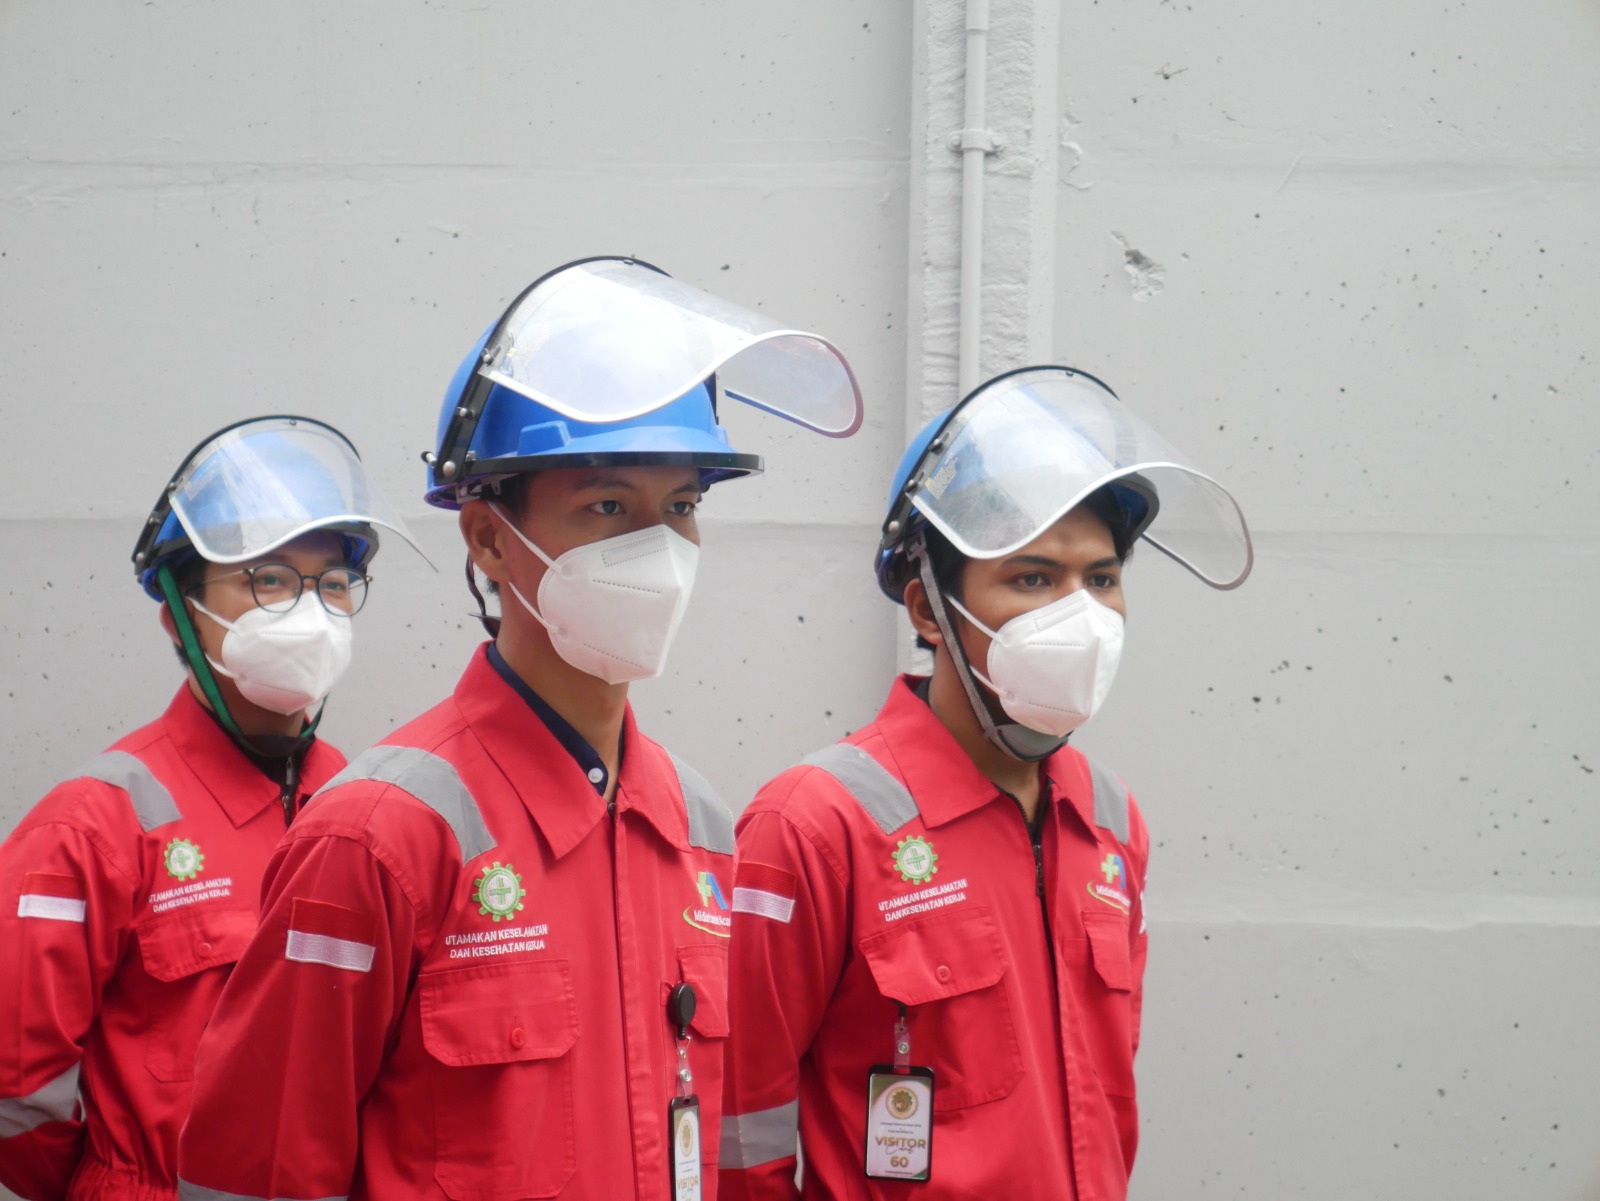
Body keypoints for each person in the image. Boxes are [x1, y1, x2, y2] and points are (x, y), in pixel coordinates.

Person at [176, 257, 863, 1201]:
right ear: (490, 538)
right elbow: (256, 1173)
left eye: (682, 507)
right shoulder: (377, 835)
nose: (658, 549)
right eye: (608, 506)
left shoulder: (699, 824)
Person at [719, 365, 1254, 1200]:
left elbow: (1103, 1104)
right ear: (927, 610)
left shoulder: (1110, 821)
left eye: (1101, 578)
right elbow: (738, 1131)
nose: (1079, 614)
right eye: (1033, 578)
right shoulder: (817, 824)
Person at [0, 416, 419, 1201]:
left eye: (332, 583)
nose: (309, 610)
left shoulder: (370, 811)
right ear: (180, 613)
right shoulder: (93, 824)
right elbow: (13, 1086)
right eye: (268, 579)